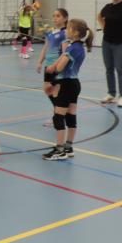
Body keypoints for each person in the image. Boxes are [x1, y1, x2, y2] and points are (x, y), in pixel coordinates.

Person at [43, 19, 94, 160]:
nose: (66, 31)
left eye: (69, 28)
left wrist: (52, 70)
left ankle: (59, 150)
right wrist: (55, 64)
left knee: (58, 117)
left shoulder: (72, 48)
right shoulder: (78, 47)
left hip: (65, 84)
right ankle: (68, 147)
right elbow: (62, 58)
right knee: (71, 116)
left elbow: (60, 67)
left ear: (75, 32)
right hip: (74, 84)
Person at [36, 9, 69, 126]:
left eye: (58, 16)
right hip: (48, 65)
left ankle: (58, 116)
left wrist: (58, 66)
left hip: (57, 66)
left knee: (56, 92)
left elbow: (65, 52)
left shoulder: (65, 33)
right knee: (47, 89)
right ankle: (60, 112)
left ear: (65, 18)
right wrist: (40, 62)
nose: (55, 18)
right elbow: (46, 47)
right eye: (54, 16)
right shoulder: (51, 32)